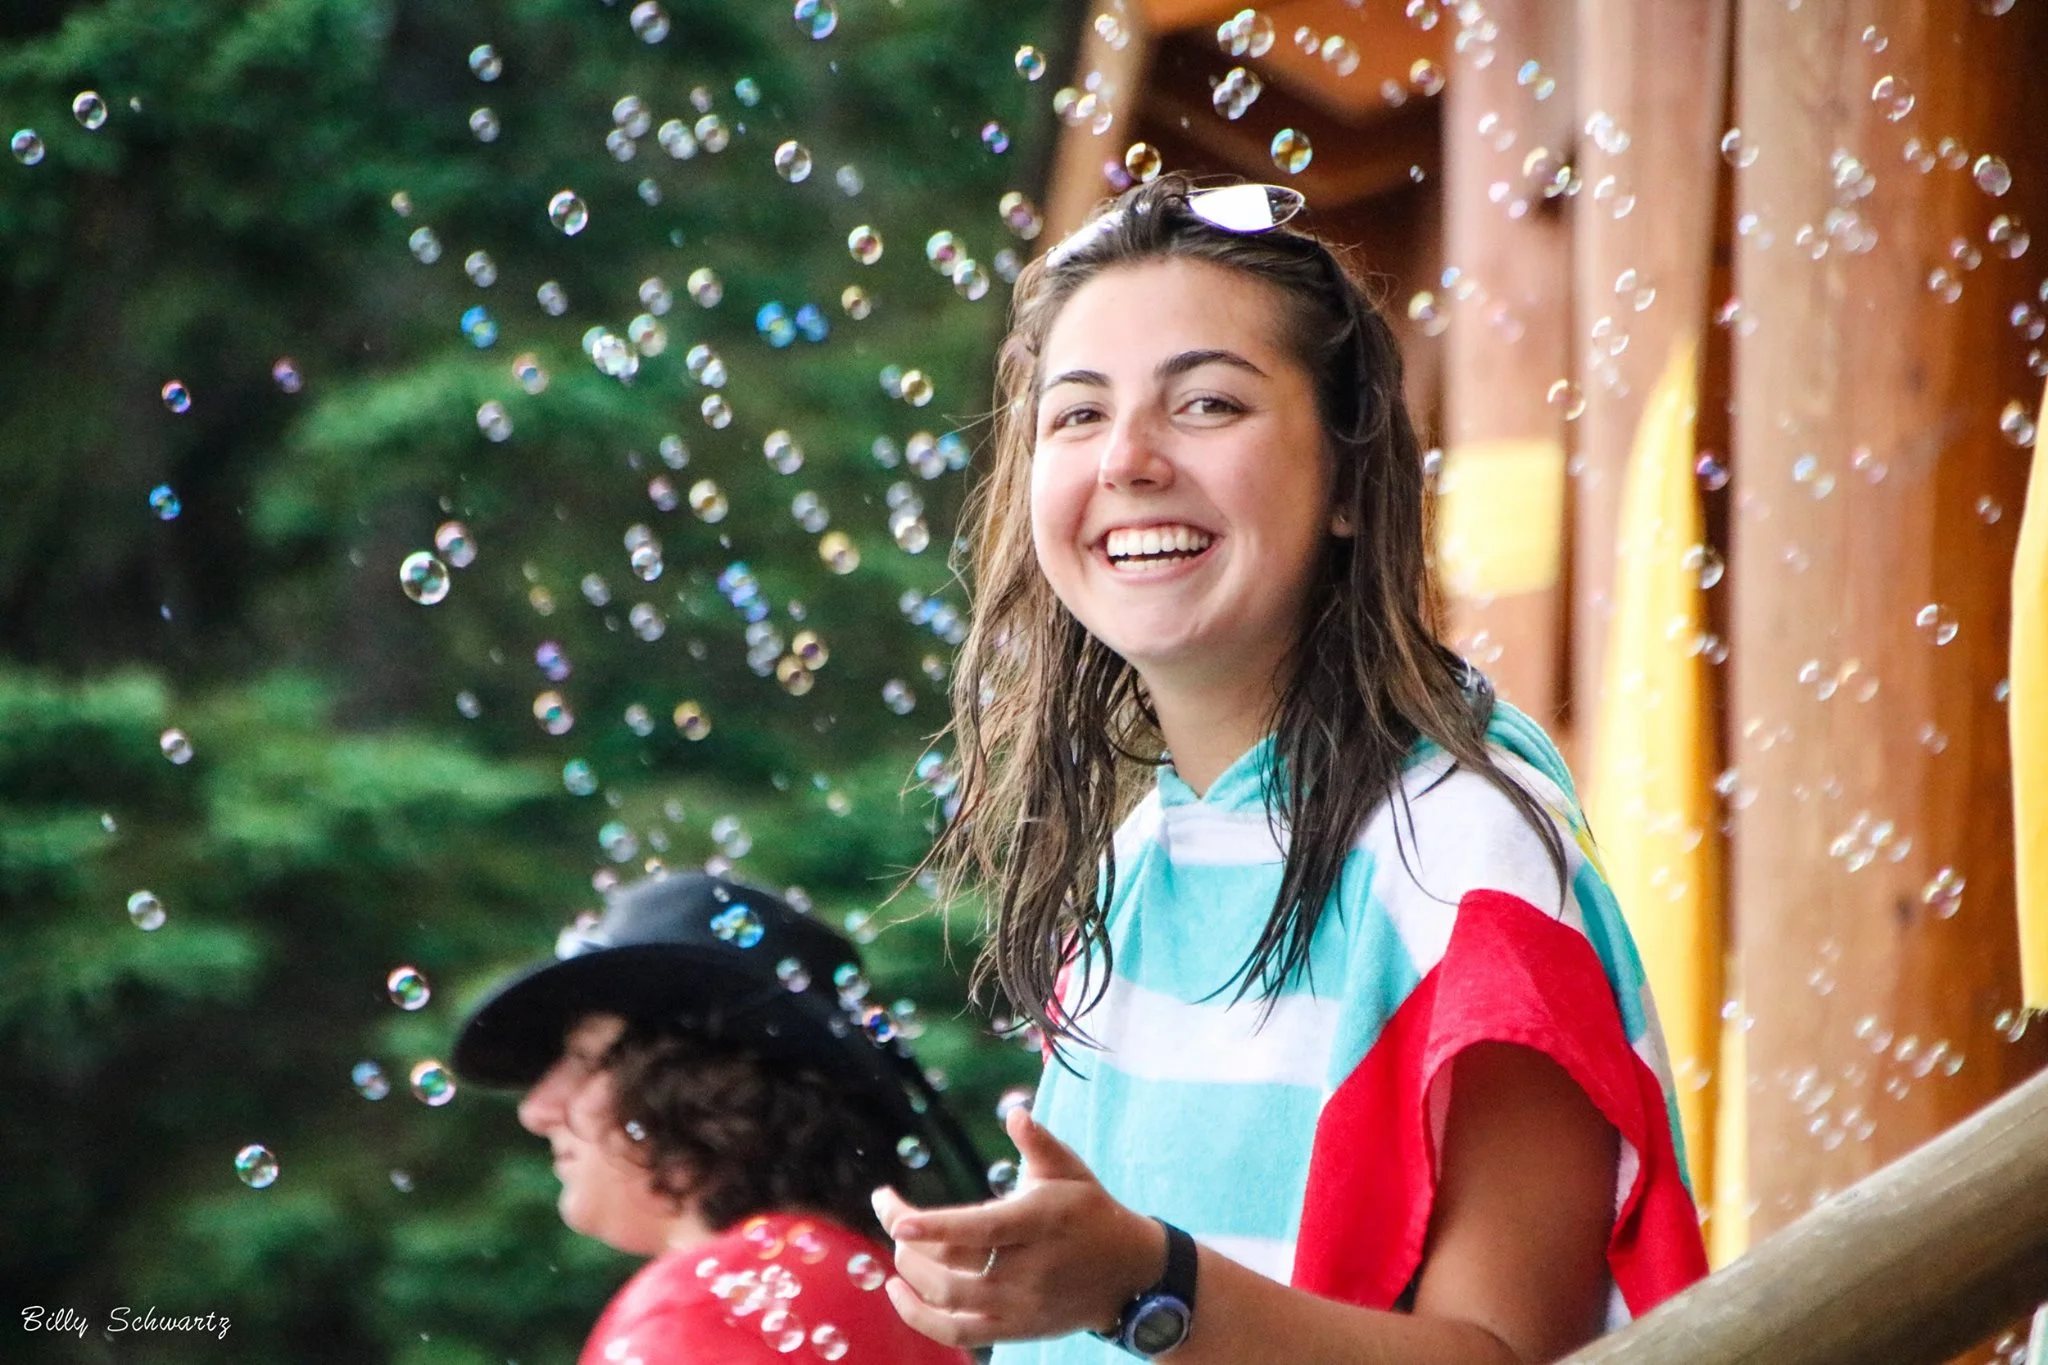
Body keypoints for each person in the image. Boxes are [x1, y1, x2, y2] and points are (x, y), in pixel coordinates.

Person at [870, 176, 1711, 1364]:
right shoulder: (1132, 866)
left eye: (1206, 402)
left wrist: (1144, 1285)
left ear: (1354, 485)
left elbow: (1509, 1355)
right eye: (1074, 415)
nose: (1127, 458)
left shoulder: (1457, 860)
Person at [453, 872, 984, 1365]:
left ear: (694, 1084)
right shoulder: (885, 1301)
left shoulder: (704, 1304)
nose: (536, 1111)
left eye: (584, 1058)